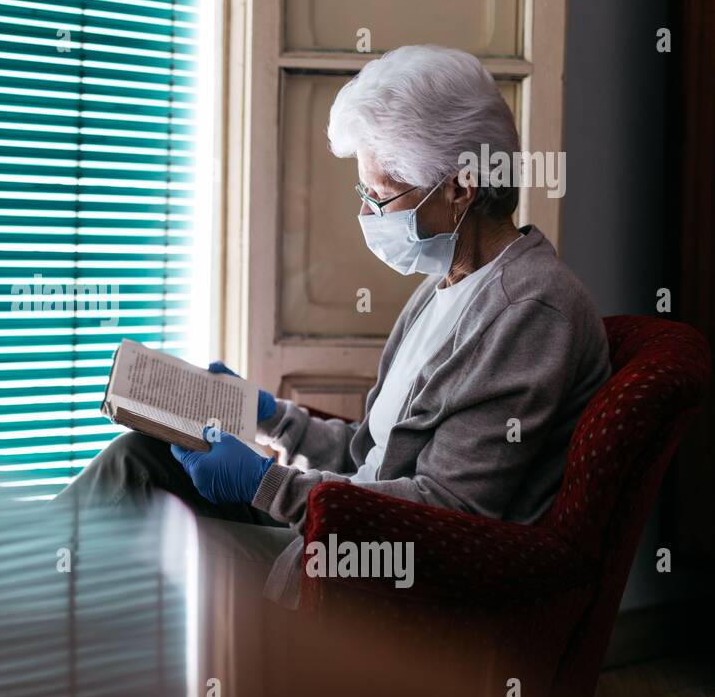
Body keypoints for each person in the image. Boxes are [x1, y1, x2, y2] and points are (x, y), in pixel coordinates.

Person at [60, 44, 610, 606]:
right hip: (339, 527)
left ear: (460, 188)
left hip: (369, 580)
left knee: (126, 542)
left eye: (379, 195)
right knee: (137, 460)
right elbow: (366, 454)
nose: (366, 215)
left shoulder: (530, 311)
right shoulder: (440, 289)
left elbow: (447, 513)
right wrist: (268, 415)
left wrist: (262, 483)